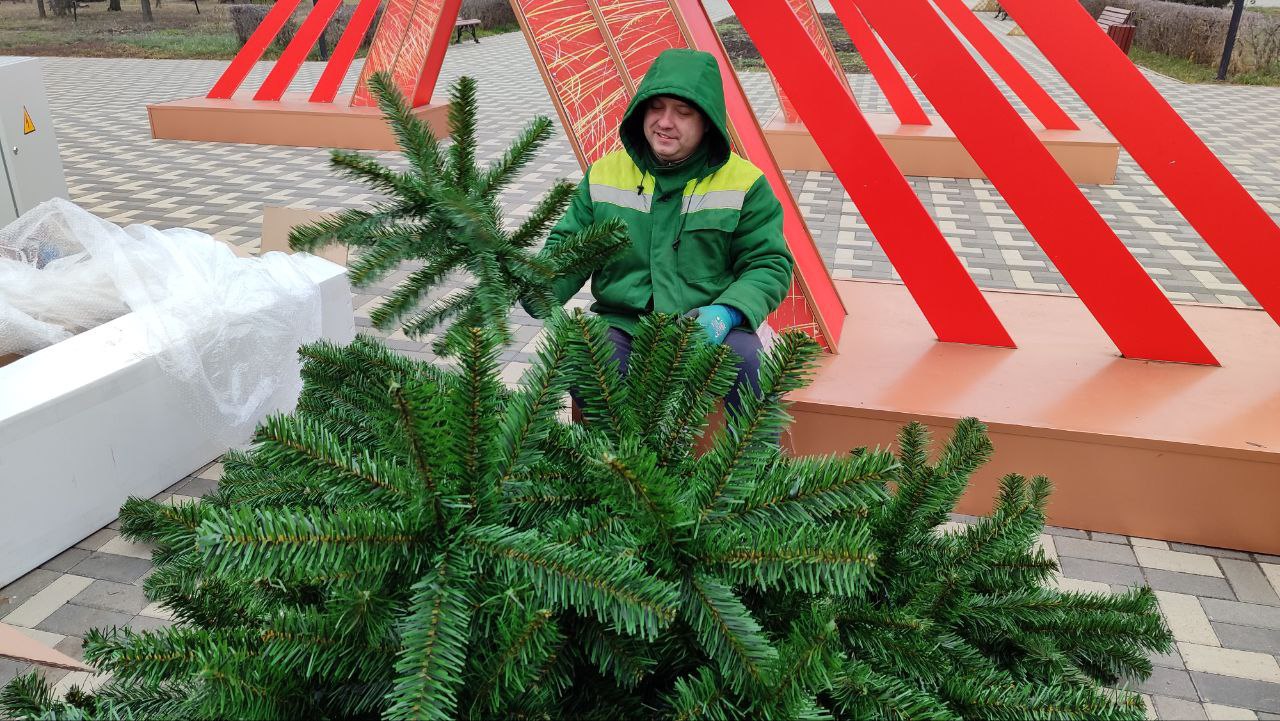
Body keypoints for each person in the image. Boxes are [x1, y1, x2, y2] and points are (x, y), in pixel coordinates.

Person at [541, 48, 794, 414]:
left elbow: (768, 263)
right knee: (588, 363)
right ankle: (610, 468)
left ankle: (756, 469)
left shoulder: (745, 183)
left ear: (707, 120)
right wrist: (533, 284)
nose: (665, 122)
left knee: (752, 370)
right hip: (624, 324)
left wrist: (728, 311)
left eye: (683, 112)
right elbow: (569, 248)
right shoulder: (604, 175)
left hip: (712, 324)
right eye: (656, 107)